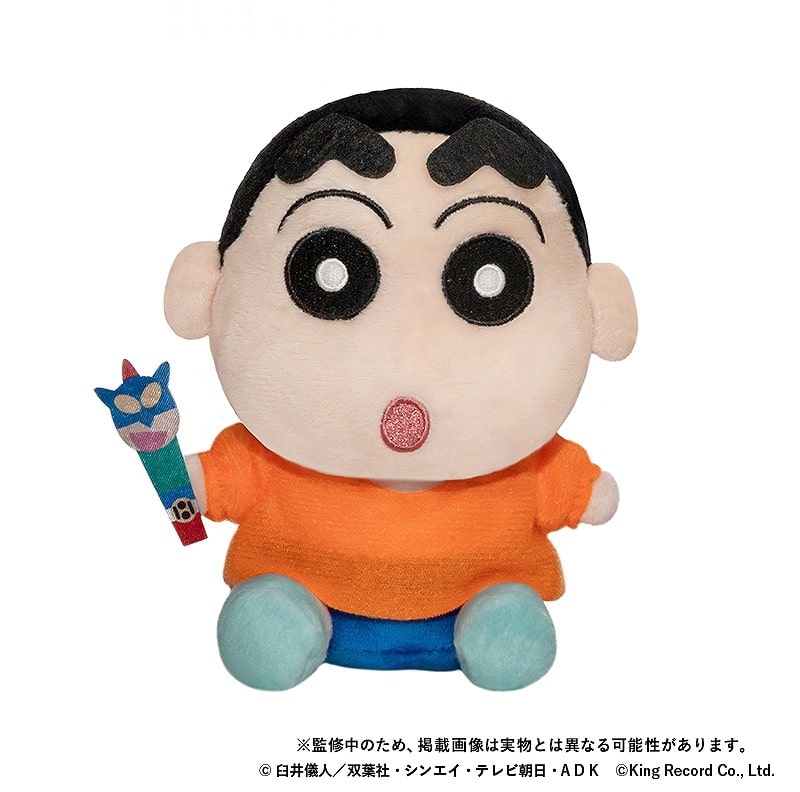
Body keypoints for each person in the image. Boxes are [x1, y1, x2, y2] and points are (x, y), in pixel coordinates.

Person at [164, 88, 637, 690]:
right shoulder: (263, 458)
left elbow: (581, 493)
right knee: (267, 626)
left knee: (508, 630)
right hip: (303, 591)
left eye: (488, 279)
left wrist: (585, 493)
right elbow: (198, 487)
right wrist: (161, 458)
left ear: (598, 309)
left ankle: (495, 626)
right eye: (329, 274)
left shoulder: (528, 466)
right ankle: (284, 621)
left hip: (477, 597)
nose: (408, 354)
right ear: (206, 291)